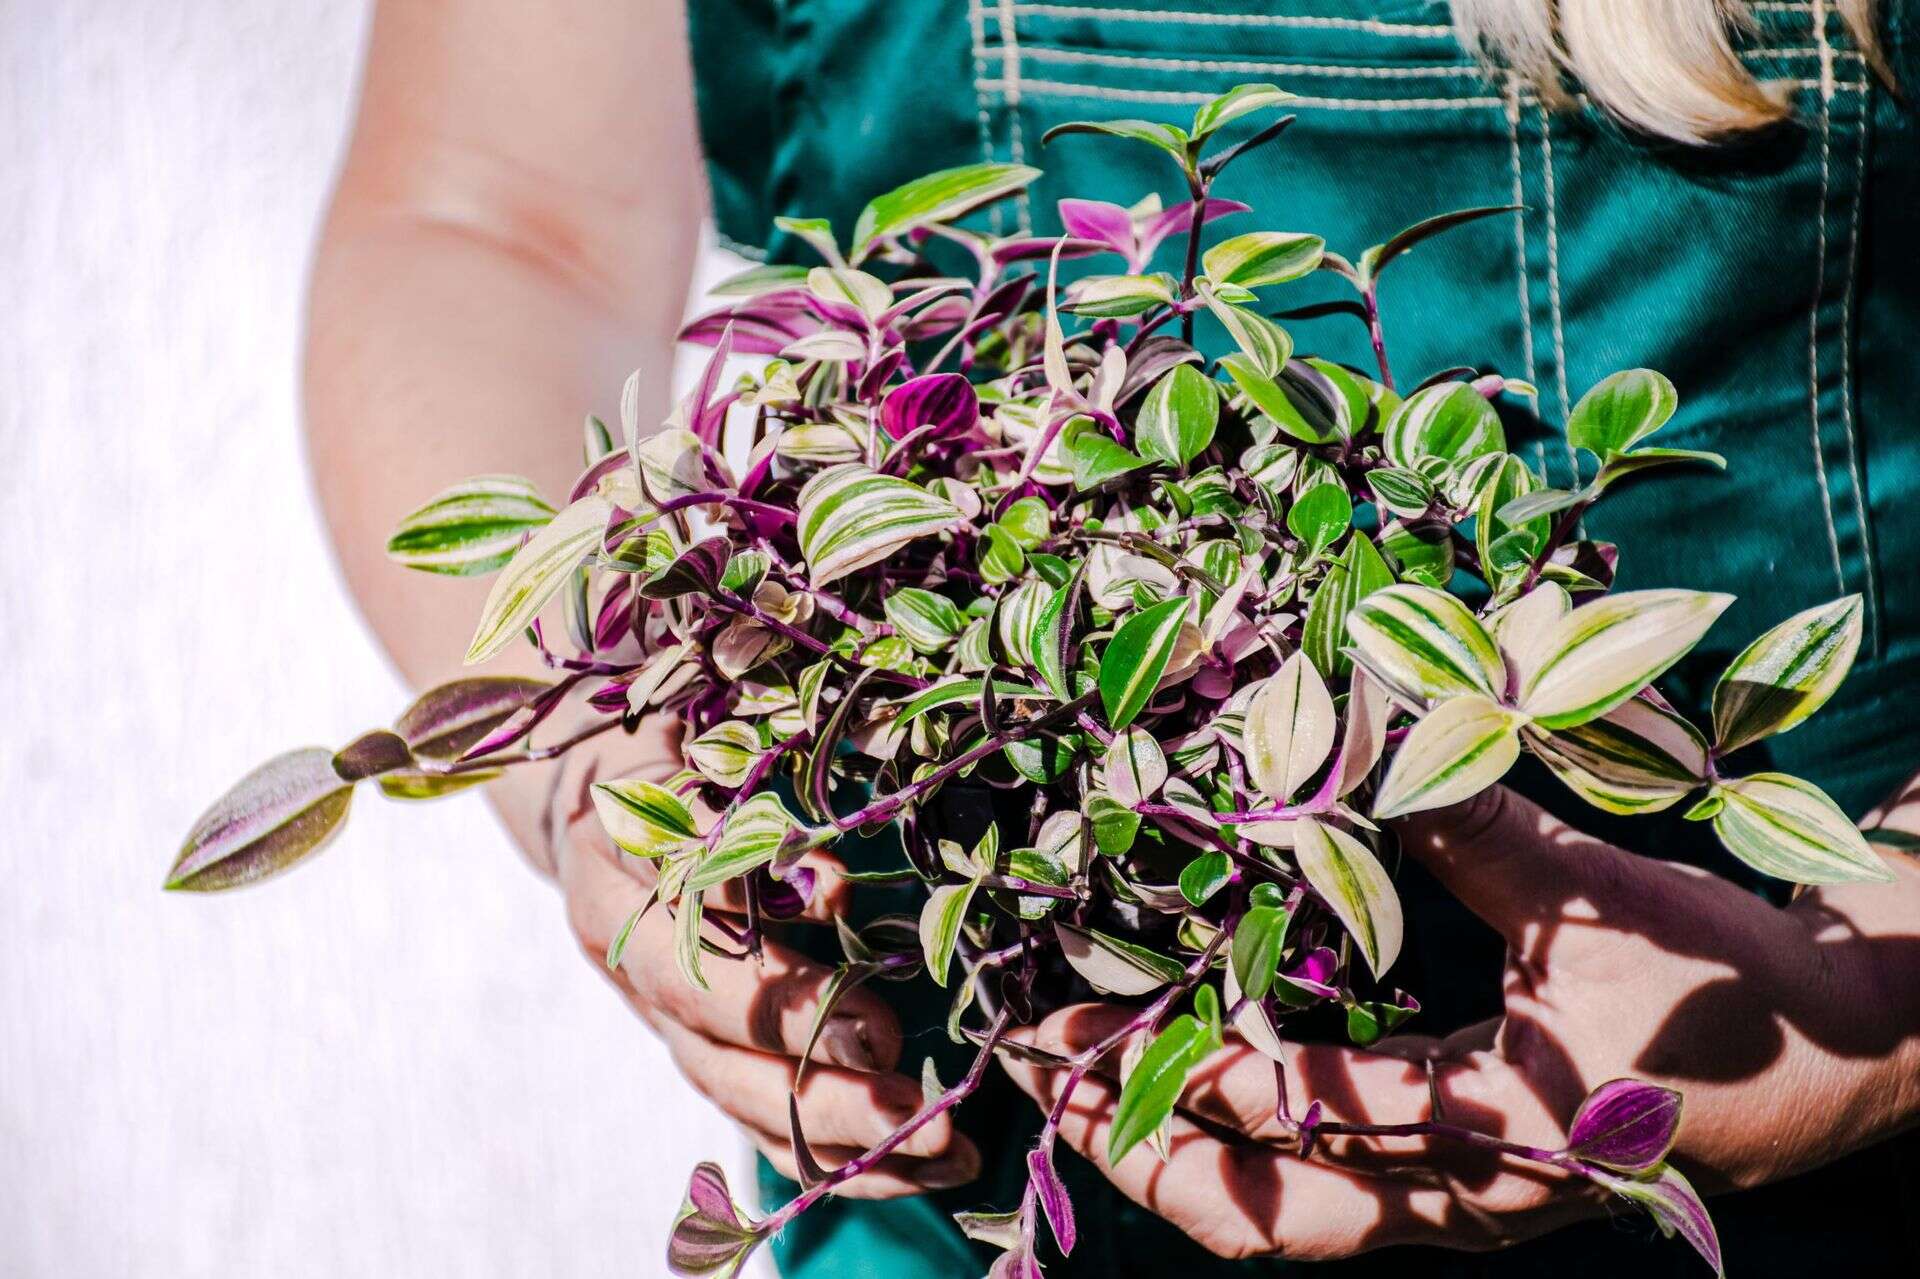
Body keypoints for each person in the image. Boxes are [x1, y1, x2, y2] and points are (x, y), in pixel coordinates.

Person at [306, 0, 1920, 1273]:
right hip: (979, 1167)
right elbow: (495, 219)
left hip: (1818, 1100)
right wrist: (598, 759)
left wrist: (1885, 999)